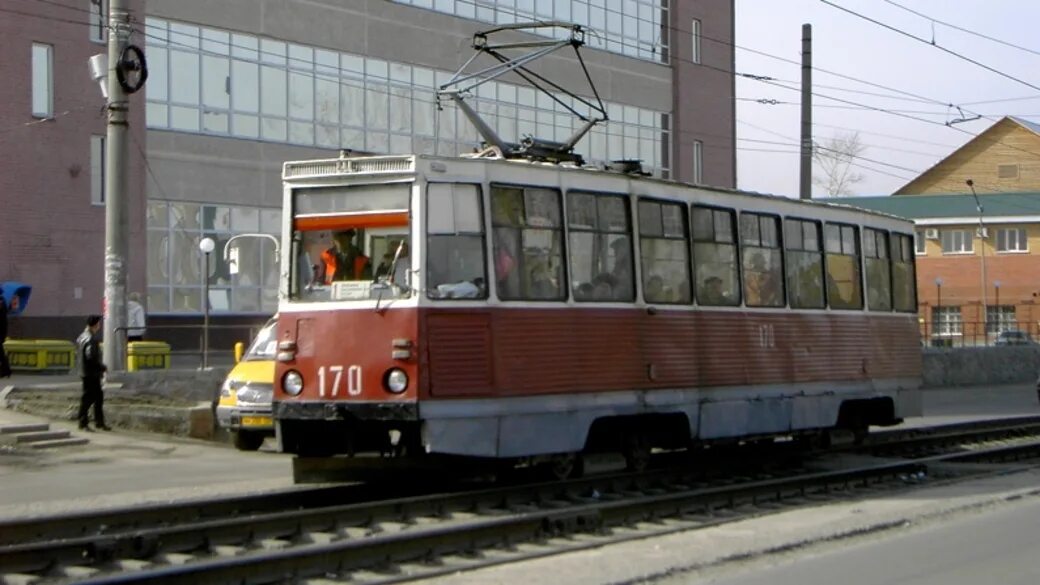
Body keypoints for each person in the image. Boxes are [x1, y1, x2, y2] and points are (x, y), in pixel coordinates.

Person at [76, 315, 110, 432]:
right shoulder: (91, 339)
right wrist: (101, 367)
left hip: (85, 372)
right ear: (95, 325)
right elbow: (90, 357)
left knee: (96, 398)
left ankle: (98, 422)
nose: (99, 326)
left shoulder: (82, 337)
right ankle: (83, 421)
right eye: (98, 324)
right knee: (90, 398)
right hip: (91, 374)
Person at [0, 291, 10, 378]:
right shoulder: (3, 301)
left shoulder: (1, 302)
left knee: (1, 353)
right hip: (2, 330)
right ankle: (6, 371)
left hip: (0, 331)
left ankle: (6, 370)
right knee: (1, 352)